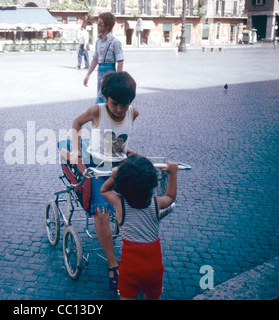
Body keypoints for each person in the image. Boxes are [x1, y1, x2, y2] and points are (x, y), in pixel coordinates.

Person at [70, 71, 139, 289]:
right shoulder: (96, 111)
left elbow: (118, 140)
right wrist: (75, 150)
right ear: (105, 98)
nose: (119, 109)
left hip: (120, 168)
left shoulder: (133, 113)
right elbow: (76, 123)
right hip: (97, 167)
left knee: (136, 204)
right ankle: (112, 262)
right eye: (114, 103)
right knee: (101, 212)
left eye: (124, 104)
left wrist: (127, 151)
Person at [101, 156, 179, 300]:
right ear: (152, 185)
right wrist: (173, 173)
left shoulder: (120, 204)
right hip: (153, 265)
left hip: (130, 267)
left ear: (122, 185)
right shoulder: (157, 203)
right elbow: (170, 196)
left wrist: (113, 176)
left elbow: (104, 190)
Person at [84, 12, 124, 103]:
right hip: (100, 72)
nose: (98, 25)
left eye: (100, 23)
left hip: (110, 73)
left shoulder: (115, 42)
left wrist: (117, 79)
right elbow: (95, 59)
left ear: (108, 26)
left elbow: (120, 61)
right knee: (104, 98)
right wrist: (88, 75)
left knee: (101, 98)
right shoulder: (98, 41)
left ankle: (95, 114)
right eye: (98, 23)